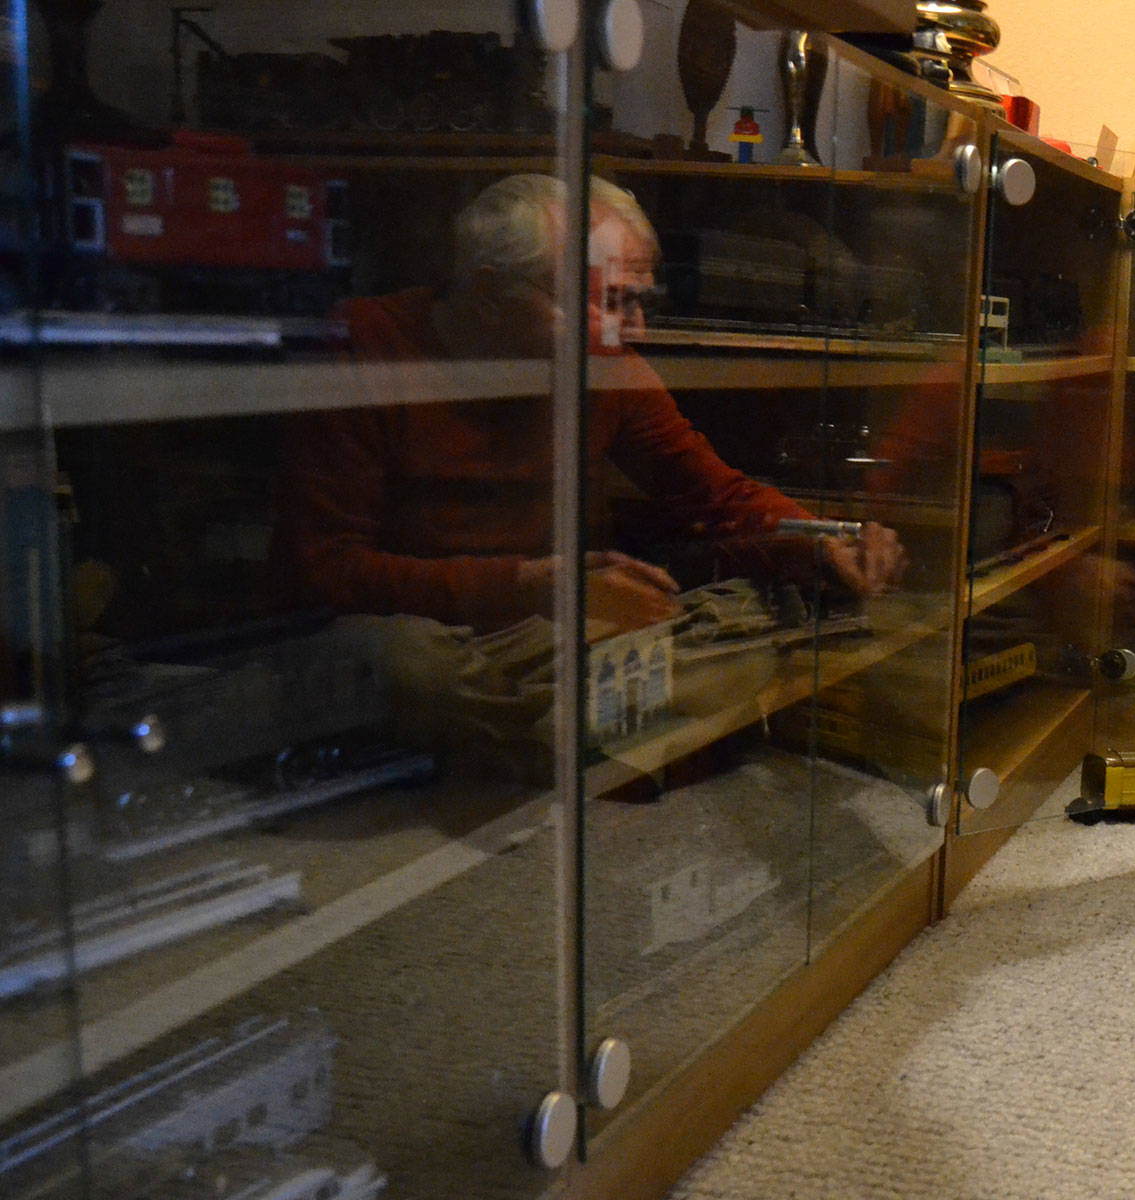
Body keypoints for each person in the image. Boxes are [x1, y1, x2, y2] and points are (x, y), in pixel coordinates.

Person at [273, 173, 904, 778]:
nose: (637, 329)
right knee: (399, 668)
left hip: (546, 634)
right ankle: (593, 736)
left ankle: (535, 739)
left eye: (638, 302)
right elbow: (323, 572)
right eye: (613, 301)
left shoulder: (608, 370)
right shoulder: (362, 344)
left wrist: (821, 536)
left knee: (740, 624)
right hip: (423, 628)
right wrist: (528, 586)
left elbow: (714, 493)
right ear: (492, 295)